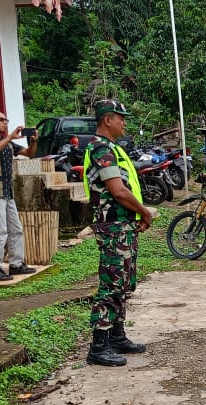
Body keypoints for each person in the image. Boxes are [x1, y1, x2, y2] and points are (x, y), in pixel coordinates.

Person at [82, 100, 156, 367]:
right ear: (107, 120)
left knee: (125, 281)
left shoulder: (112, 148)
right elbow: (118, 190)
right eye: (120, 118)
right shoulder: (101, 148)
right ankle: (99, 346)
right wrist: (144, 212)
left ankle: (117, 336)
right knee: (112, 283)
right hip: (112, 225)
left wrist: (136, 214)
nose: (124, 122)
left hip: (123, 224)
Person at [0, 112, 38, 281]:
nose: (5, 123)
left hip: (7, 191)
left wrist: (33, 140)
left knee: (16, 229)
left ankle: (16, 264)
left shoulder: (8, 143)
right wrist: (10, 136)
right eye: (1, 120)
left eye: (6, 120)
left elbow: (29, 153)